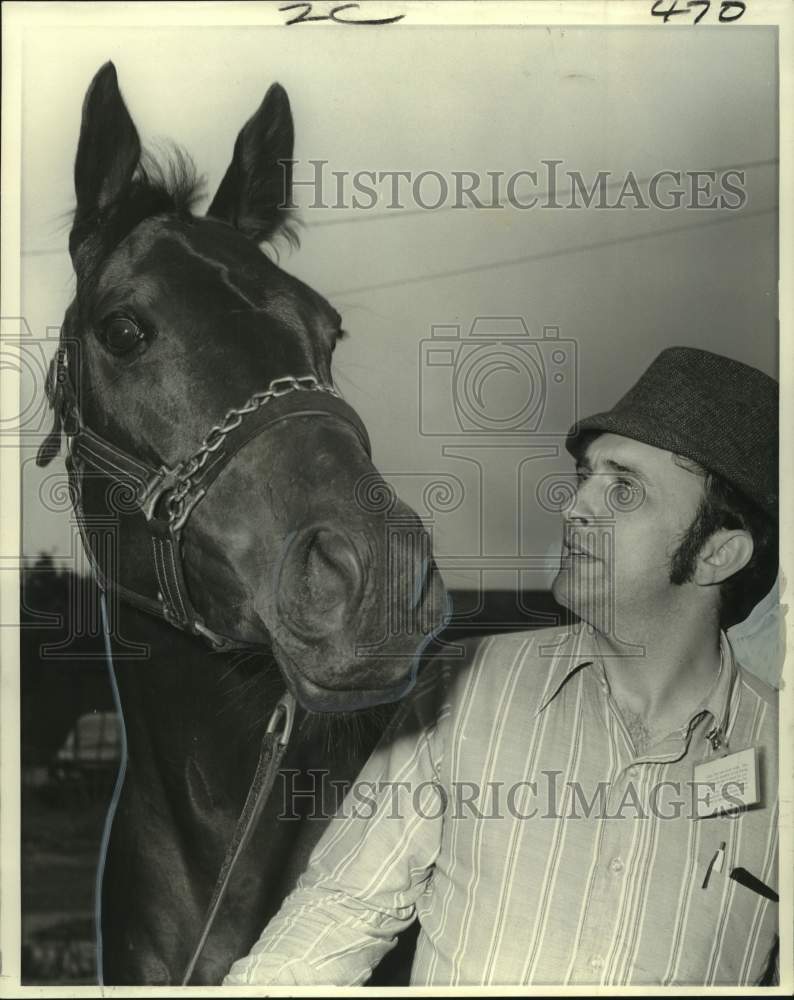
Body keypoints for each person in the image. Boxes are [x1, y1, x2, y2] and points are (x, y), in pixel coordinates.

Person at [223, 347, 779, 987]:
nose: (575, 509)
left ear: (718, 554)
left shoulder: (781, 759)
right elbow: (340, 909)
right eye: (585, 477)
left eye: (624, 489)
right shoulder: (467, 685)